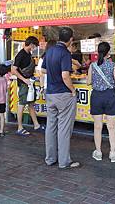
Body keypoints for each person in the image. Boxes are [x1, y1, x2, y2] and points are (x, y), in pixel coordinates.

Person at [42, 27, 80, 169]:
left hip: (50, 94)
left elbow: (44, 70)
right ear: (70, 39)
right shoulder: (65, 53)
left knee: (51, 126)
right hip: (63, 94)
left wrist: (53, 73)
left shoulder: (50, 50)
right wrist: (73, 89)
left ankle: (50, 158)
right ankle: (64, 161)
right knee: (64, 128)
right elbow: (65, 75)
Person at [87, 42, 115, 163]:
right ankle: (112, 153)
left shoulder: (93, 65)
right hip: (110, 96)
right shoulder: (113, 65)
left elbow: (88, 82)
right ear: (108, 53)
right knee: (111, 126)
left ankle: (98, 152)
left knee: (98, 126)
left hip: (97, 96)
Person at [12, 36, 42, 136]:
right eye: (35, 45)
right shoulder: (20, 55)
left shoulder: (29, 53)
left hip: (30, 83)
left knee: (31, 103)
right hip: (24, 84)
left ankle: (36, 124)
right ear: (31, 44)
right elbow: (13, 69)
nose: (35, 48)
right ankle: (20, 127)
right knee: (22, 103)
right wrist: (24, 79)